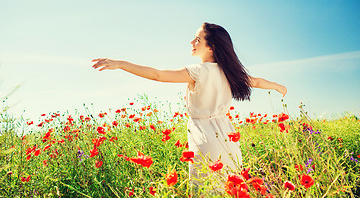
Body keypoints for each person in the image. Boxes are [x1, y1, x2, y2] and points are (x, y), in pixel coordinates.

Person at [92, 22, 287, 190]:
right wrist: (279, 86)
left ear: (211, 48)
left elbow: (158, 75)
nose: (191, 42)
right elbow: (258, 82)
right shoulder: (230, 72)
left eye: (197, 39)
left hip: (204, 136)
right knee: (231, 188)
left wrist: (121, 63)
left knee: (205, 189)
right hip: (227, 136)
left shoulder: (198, 71)